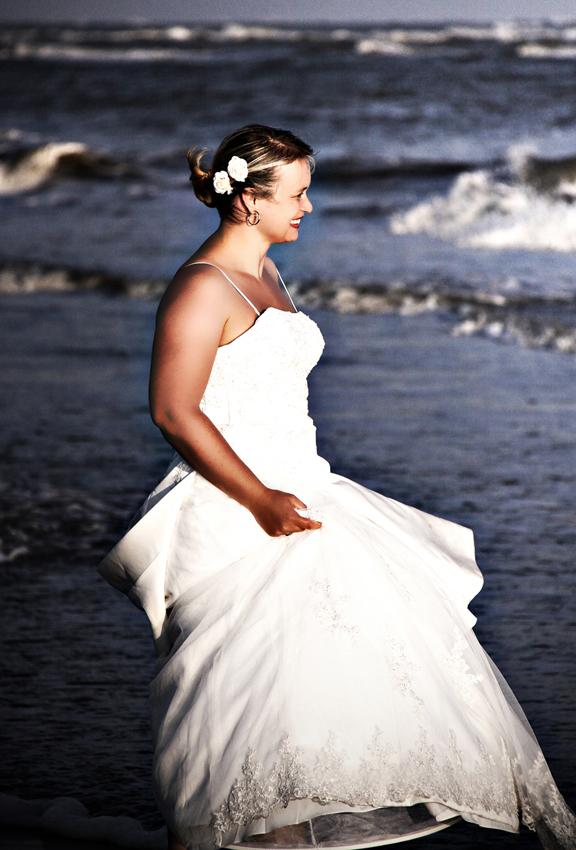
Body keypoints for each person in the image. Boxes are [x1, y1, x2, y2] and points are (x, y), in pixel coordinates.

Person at [98, 125, 576, 850]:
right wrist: (259, 500)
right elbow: (174, 409)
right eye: (296, 192)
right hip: (244, 504)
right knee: (253, 693)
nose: (310, 206)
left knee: (342, 678)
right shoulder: (202, 286)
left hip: (307, 487)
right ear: (249, 200)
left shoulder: (267, 273)